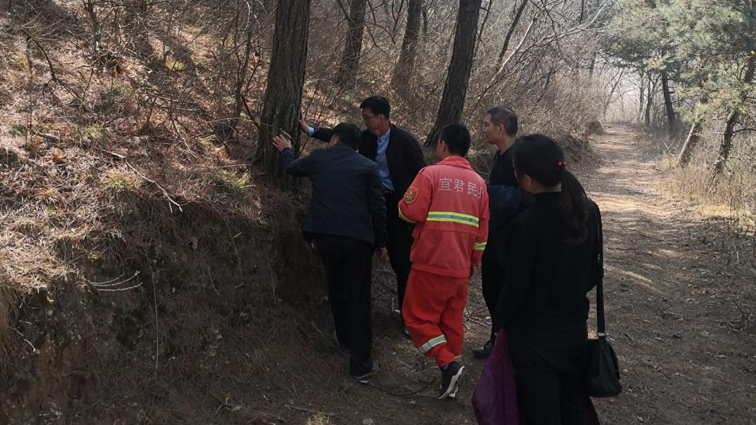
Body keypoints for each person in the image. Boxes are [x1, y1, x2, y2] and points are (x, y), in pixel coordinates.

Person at [493, 134, 603, 424]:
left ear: (527, 181)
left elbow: (516, 287)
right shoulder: (589, 211)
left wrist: (500, 322)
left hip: (534, 339)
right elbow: (595, 271)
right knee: (571, 405)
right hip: (574, 330)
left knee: (541, 412)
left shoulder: (526, 224)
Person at [300, 96, 426, 336]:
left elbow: (422, 177)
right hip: (372, 202)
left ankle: (408, 317)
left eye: (367, 117)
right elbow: (343, 139)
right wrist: (311, 131)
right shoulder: (367, 138)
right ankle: (356, 316)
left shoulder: (405, 141)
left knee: (403, 265)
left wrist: (413, 205)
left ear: (381, 117)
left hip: (401, 208)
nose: (365, 122)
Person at [272, 123, 387, 381]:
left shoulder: (321, 157)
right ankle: (361, 364)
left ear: (334, 139)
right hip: (358, 240)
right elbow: (378, 208)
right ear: (354, 145)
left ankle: (344, 338)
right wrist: (381, 242)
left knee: (336, 288)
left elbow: (291, 169)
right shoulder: (368, 166)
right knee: (359, 299)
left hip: (325, 236)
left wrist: (286, 150)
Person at [398, 124, 490, 399]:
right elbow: (482, 231)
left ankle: (448, 364)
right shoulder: (480, 184)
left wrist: (402, 207)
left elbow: (409, 211)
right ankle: (451, 377)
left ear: (442, 145)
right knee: (451, 322)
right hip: (461, 268)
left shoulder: (430, 174)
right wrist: (473, 261)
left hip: (430, 262)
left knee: (415, 317)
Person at [473, 106, 528, 358]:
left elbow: (524, 196)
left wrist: (488, 191)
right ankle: (497, 341)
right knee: (490, 290)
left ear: (500, 128)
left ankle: (509, 346)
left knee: (508, 294)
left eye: (486, 124)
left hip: (513, 240)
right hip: (494, 237)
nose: (483, 129)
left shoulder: (521, 157)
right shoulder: (498, 155)